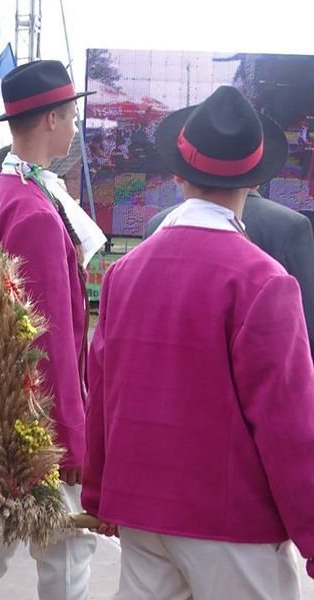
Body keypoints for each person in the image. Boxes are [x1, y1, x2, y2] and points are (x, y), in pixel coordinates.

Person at [83, 86, 314, 599]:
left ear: (179, 173)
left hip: (142, 510)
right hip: (232, 522)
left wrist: (99, 494)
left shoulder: (123, 274)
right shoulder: (264, 281)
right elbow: (288, 421)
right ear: (255, 181)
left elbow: (101, 389)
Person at [0, 60, 104, 600]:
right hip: (35, 422)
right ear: (52, 120)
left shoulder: (3, 193)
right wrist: (71, 436)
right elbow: (48, 341)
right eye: (72, 116)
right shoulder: (34, 209)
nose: (76, 127)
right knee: (64, 550)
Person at [144, 190, 314, 357]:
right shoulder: (292, 225)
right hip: (254, 366)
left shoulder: (157, 224)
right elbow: (307, 322)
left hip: (165, 359)